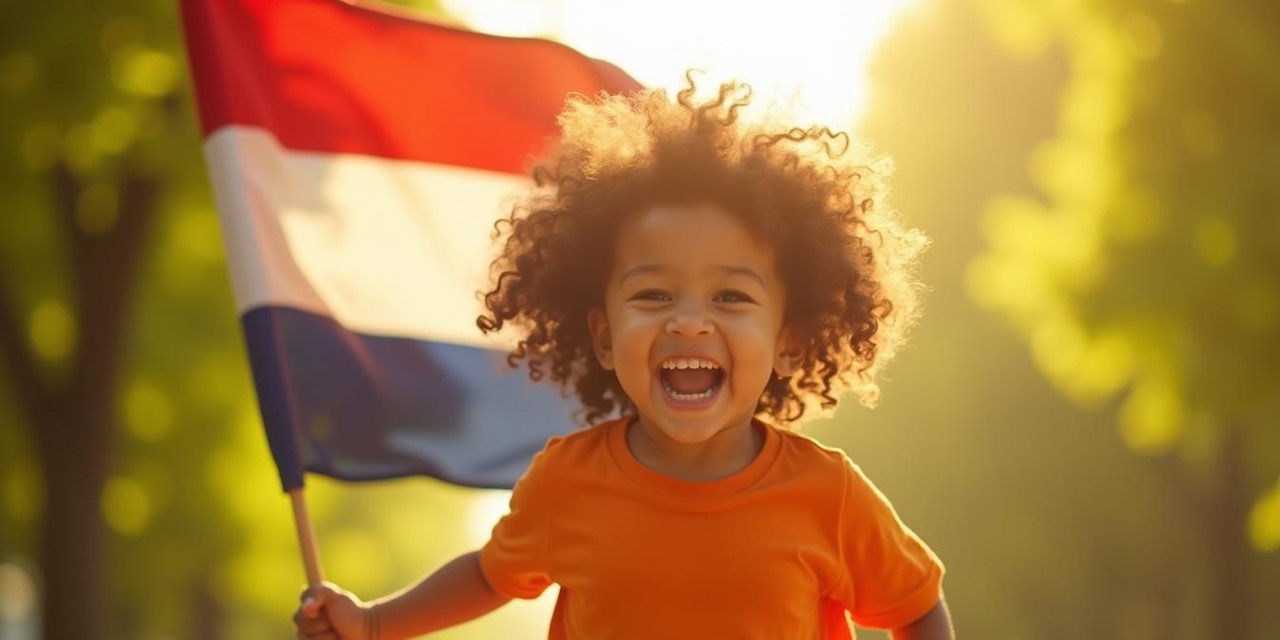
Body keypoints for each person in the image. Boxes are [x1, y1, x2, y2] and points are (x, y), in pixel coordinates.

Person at [294, 74, 952, 640]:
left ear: (790, 341)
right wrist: (375, 624)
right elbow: (489, 575)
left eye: (730, 295)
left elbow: (916, 605)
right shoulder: (566, 483)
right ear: (604, 336)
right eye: (655, 293)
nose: (689, 321)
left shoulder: (829, 498)